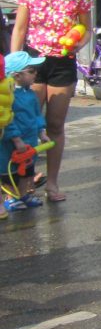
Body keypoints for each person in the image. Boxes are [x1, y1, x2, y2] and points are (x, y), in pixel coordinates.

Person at [11, 0, 93, 203]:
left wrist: (78, 42)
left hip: (62, 63)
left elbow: (86, 29)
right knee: (28, 124)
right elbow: (20, 29)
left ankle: (53, 183)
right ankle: (27, 181)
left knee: (55, 125)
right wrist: (16, 62)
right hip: (33, 62)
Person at [0, 51, 48, 213]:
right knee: (11, 172)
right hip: (12, 144)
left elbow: (37, 114)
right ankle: (12, 197)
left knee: (27, 172)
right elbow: (7, 120)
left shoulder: (31, 93)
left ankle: (23, 195)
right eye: (32, 70)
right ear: (17, 75)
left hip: (29, 141)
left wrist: (42, 132)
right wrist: (16, 139)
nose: (36, 73)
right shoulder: (9, 96)